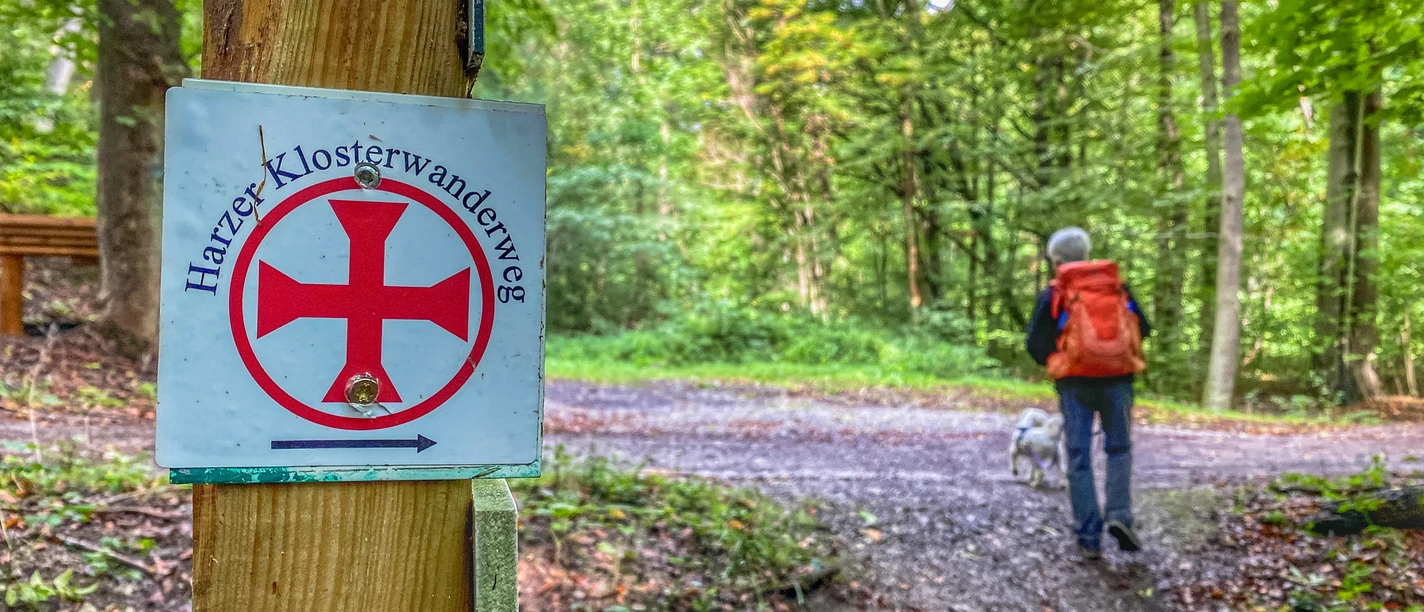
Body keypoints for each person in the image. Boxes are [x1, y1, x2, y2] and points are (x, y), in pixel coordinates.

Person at [1025, 227, 1151, 560]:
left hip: (1074, 384)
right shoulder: (1117, 287)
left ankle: (1089, 537)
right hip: (1119, 381)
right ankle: (1120, 516)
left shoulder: (1055, 294)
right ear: (1087, 253)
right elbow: (1144, 328)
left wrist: (1057, 360)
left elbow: (1034, 343)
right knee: (1118, 449)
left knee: (1078, 457)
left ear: (1057, 261)